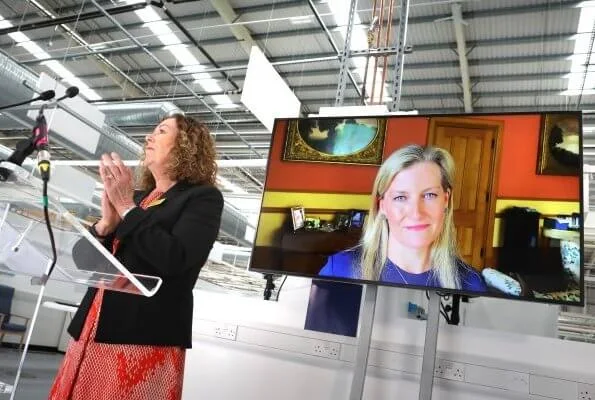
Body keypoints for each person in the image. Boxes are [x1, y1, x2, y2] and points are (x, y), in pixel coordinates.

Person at [49, 114, 224, 400]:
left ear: (186, 145)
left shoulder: (203, 198)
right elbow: (85, 261)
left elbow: (175, 258)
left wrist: (126, 208)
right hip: (92, 329)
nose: (148, 137)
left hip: (141, 335)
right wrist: (105, 225)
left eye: (161, 131)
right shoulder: (141, 197)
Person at [319, 144, 487, 292]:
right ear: (382, 205)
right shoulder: (339, 271)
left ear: (446, 199)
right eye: (400, 197)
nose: (416, 213)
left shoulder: (471, 284)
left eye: (429, 195)